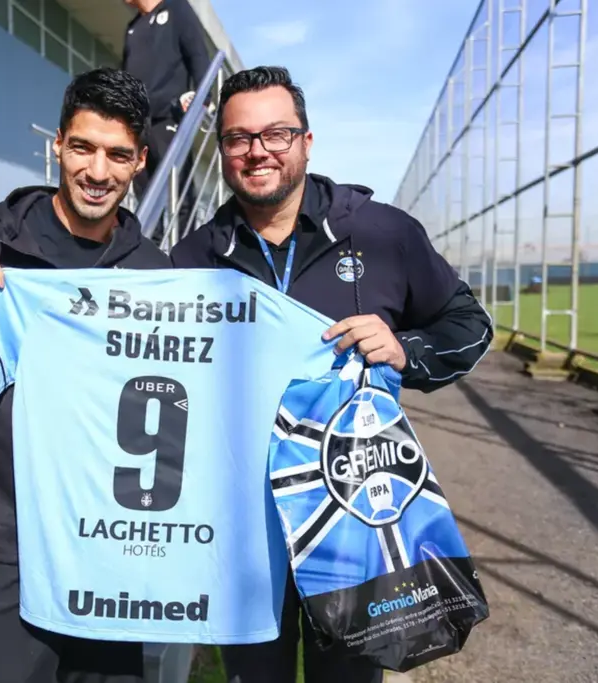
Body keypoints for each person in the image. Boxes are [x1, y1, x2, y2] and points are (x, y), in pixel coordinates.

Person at [169, 66, 494, 683]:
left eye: (276, 134)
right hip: (241, 530)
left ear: (307, 142)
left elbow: (470, 325)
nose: (257, 150)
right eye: (238, 138)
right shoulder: (193, 258)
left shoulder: (382, 233)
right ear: (222, 153)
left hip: (352, 520)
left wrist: (404, 348)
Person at [0, 67, 168, 682]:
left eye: (118, 155)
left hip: (108, 540)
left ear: (141, 161)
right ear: (58, 145)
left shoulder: (155, 272)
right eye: (83, 148)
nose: (98, 172)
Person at [121, 0, 211, 241]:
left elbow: (198, 53)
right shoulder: (132, 27)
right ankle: (152, 257)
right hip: (137, 123)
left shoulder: (177, 8)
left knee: (179, 192)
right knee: (145, 196)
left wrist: (203, 97)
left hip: (168, 116)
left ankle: (187, 257)